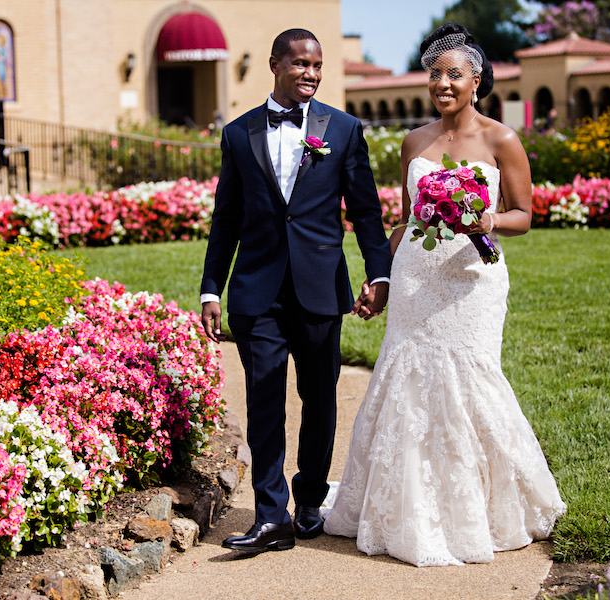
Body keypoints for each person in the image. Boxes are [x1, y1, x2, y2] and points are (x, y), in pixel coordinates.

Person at [323, 22, 566, 566]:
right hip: (415, 278)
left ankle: (478, 509)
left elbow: (525, 215)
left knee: (471, 376)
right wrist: (381, 281)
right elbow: (406, 222)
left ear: (477, 81)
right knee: (406, 379)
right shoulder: (415, 142)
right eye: (435, 74)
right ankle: (403, 508)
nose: (443, 83)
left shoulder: (502, 139)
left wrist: (484, 219)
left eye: (454, 74)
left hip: (472, 280)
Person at [200, 28, 392, 554]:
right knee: (263, 398)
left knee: (319, 396)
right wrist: (211, 288)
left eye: (318, 65)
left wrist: (379, 276)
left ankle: (308, 497)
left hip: (319, 288)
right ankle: (270, 515)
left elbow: (367, 212)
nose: (311, 73)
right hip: (256, 293)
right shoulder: (239, 134)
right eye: (301, 63)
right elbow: (227, 218)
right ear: (275, 64)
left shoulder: (345, 129)